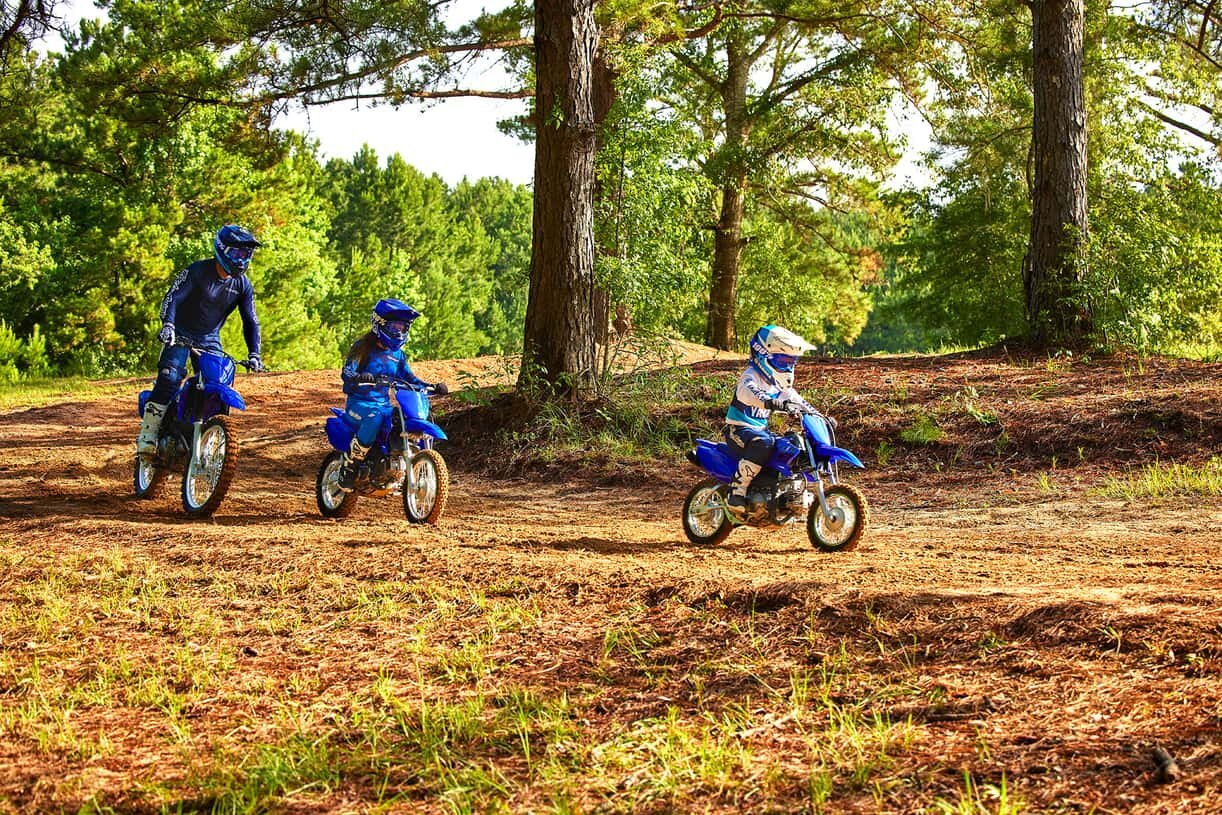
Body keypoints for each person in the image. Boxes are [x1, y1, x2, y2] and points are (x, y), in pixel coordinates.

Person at [136, 224, 266, 458]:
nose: (242, 260)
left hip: (209, 338)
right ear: (222, 250)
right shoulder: (197, 271)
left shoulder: (243, 285)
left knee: (217, 384)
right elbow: (173, 298)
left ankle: (203, 436)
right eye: (237, 253)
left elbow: (251, 321)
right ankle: (148, 434)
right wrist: (168, 325)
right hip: (180, 332)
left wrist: (254, 354)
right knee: (170, 376)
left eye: (247, 254)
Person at [337, 298, 450, 491]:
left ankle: (396, 461)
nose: (399, 332)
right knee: (374, 418)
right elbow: (347, 370)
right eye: (394, 326)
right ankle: (350, 465)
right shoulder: (363, 346)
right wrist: (358, 376)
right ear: (380, 323)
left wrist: (431, 386)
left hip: (383, 405)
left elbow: (410, 379)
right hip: (360, 403)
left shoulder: (398, 355)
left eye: (403, 327)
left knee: (401, 417)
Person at [723, 324, 820, 516]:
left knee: (793, 443)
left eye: (791, 362)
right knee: (764, 443)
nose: (788, 367)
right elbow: (751, 393)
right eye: (782, 361)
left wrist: (819, 416)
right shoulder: (750, 377)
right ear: (762, 355)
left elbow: (799, 401)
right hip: (739, 431)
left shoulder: (778, 385)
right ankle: (737, 489)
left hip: (760, 432)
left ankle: (790, 491)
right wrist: (772, 403)